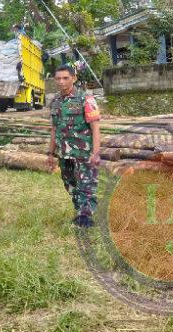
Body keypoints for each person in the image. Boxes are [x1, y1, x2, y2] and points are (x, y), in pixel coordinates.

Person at [47, 64, 101, 228]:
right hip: (64, 153)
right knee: (70, 183)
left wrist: (96, 152)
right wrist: (50, 153)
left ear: (74, 78)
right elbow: (54, 128)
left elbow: (95, 127)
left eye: (65, 78)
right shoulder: (55, 102)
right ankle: (80, 212)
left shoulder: (86, 99)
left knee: (86, 184)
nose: (61, 82)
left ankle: (86, 217)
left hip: (83, 152)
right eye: (58, 78)